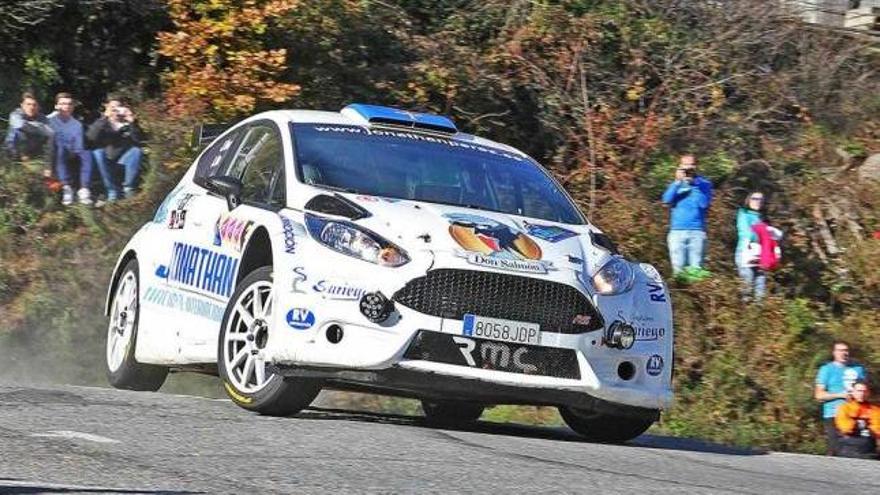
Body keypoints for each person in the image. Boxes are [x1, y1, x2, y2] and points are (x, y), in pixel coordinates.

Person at [661, 154, 714, 277]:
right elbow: (666, 200)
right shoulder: (676, 184)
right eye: (685, 165)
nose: (688, 168)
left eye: (691, 165)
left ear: (696, 166)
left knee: (695, 272)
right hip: (676, 231)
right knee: (679, 273)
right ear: (680, 167)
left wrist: (694, 185)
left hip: (697, 232)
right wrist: (677, 182)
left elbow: (704, 204)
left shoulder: (704, 184)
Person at [815, 341, 867, 455]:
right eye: (840, 350)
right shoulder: (827, 369)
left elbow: (865, 389)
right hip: (834, 414)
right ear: (834, 353)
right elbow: (819, 395)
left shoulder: (858, 369)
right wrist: (841, 395)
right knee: (837, 451)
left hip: (856, 414)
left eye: (846, 350)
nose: (844, 353)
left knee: (860, 451)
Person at [87, 97, 144, 201]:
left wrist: (132, 122)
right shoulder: (102, 123)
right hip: (106, 162)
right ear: (107, 108)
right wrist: (105, 117)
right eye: (112, 107)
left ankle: (128, 187)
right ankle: (112, 190)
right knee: (97, 153)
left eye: (118, 107)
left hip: (124, 161)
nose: (115, 110)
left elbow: (139, 140)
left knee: (136, 151)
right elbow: (90, 138)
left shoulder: (127, 124)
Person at [48, 92, 93, 206]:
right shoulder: (49, 120)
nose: (66, 107)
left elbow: (78, 146)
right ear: (56, 106)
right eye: (63, 104)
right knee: (60, 148)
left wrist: (75, 151)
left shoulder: (76, 124)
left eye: (69, 104)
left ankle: (84, 189)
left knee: (86, 153)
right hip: (54, 152)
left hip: (70, 152)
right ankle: (66, 187)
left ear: (73, 107)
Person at [735, 192, 781, 301]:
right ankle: (745, 311)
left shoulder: (763, 218)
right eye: (755, 198)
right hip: (746, 252)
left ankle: (758, 312)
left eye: (761, 199)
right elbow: (745, 232)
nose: (758, 201)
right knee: (747, 283)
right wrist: (760, 234)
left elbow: (771, 237)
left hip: (761, 254)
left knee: (760, 285)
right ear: (749, 200)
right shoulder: (743, 213)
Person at [4, 92, 54, 174]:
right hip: (12, 154)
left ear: (38, 107)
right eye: (28, 104)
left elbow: (51, 134)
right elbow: (20, 125)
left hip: (34, 157)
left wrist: (48, 166)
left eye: (34, 105)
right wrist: (40, 128)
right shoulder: (15, 114)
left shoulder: (43, 119)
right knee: (18, 130)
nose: (31, 107)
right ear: (22, 105)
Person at [835, 380, 880, 459]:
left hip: (868, 449)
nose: (862, 394)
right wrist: (861, 423)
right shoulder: (845, 408)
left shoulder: (875, 410)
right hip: (847, 448)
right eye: (859, 391)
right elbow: (845, 428)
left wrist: (868, 428)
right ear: (853, 392)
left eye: (865, 391)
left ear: (868, 393)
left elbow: (877, 429)